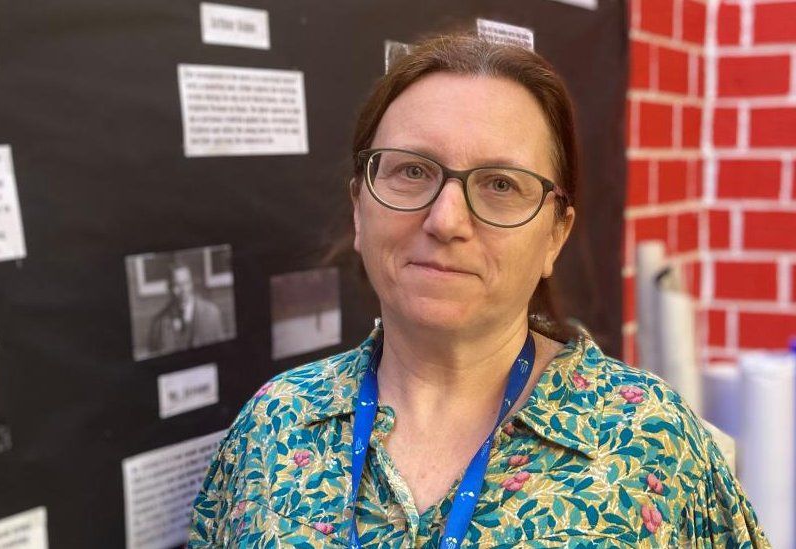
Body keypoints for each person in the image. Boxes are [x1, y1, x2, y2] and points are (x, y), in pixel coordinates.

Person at [188, 33, 768, 547]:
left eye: (499, 184)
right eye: (412, 170)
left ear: (554, 236)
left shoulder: (649, 441)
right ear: (359, 209)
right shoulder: (275, 425)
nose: (446, 221)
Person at [147, 261, 227, 356]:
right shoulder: (158, 324)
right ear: (169, 288)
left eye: (186, 283)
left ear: (192, 284)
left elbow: (222, 353)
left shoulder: (212, 314)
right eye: (176, 285)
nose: (183, 290)